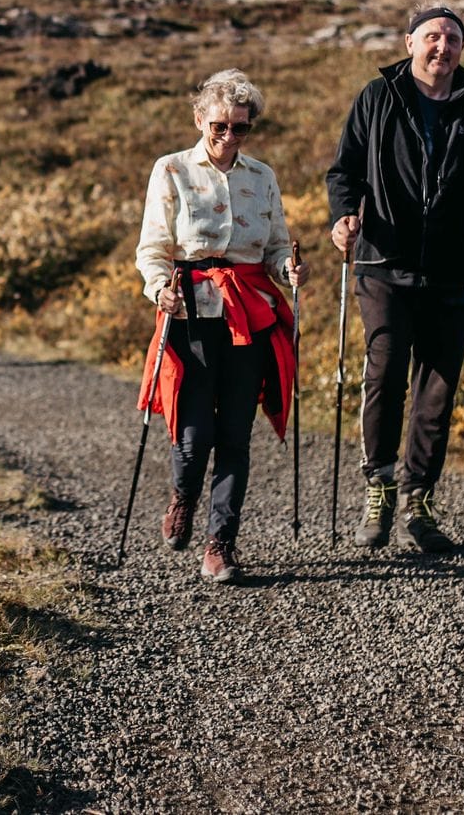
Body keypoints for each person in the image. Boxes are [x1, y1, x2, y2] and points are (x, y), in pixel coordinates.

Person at [326, 2, 464, 554]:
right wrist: (343, 218)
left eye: (453, 39)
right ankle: (380, 485)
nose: (443, 48)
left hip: (456, 268)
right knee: (386, 370)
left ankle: (418, 498)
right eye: (433, 37)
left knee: (436, 391)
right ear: (409, 42)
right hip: (383, 264)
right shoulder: (377, 97)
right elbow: (343, 170)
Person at [136, 69, 308, 584]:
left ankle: (220, 543)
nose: (229, 137)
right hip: (190, 310)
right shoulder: (170, 170)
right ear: (199, 119)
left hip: (251, 313)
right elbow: (154, 246)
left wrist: (288, 270)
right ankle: (184, 494)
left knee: (235, 432)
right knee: (194, 434)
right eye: (219, 126)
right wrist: (158, 286)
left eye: (240, 128)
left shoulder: (263, 176)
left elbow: (276, 245)